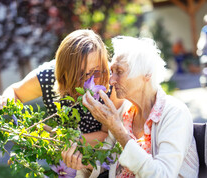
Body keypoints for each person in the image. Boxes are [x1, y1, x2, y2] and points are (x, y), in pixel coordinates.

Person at [62, 36, 199, 177]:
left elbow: (163, 174)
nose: (111, 80)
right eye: (112, 71)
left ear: (146, 74)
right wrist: (84, 164)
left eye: (119, 72)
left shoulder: (174, 113)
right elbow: (107, 161)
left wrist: (118, 130)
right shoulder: (125, 112)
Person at [0, 29, 125, 146]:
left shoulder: (110, 81)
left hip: (100, 157)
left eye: (94, 70)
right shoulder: (48, 76)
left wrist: (60, 139)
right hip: (61, 160)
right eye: (79, 73)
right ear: (63, 69)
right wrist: (5, 100)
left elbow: (106, 135)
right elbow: (15, 92)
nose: (87, 79)